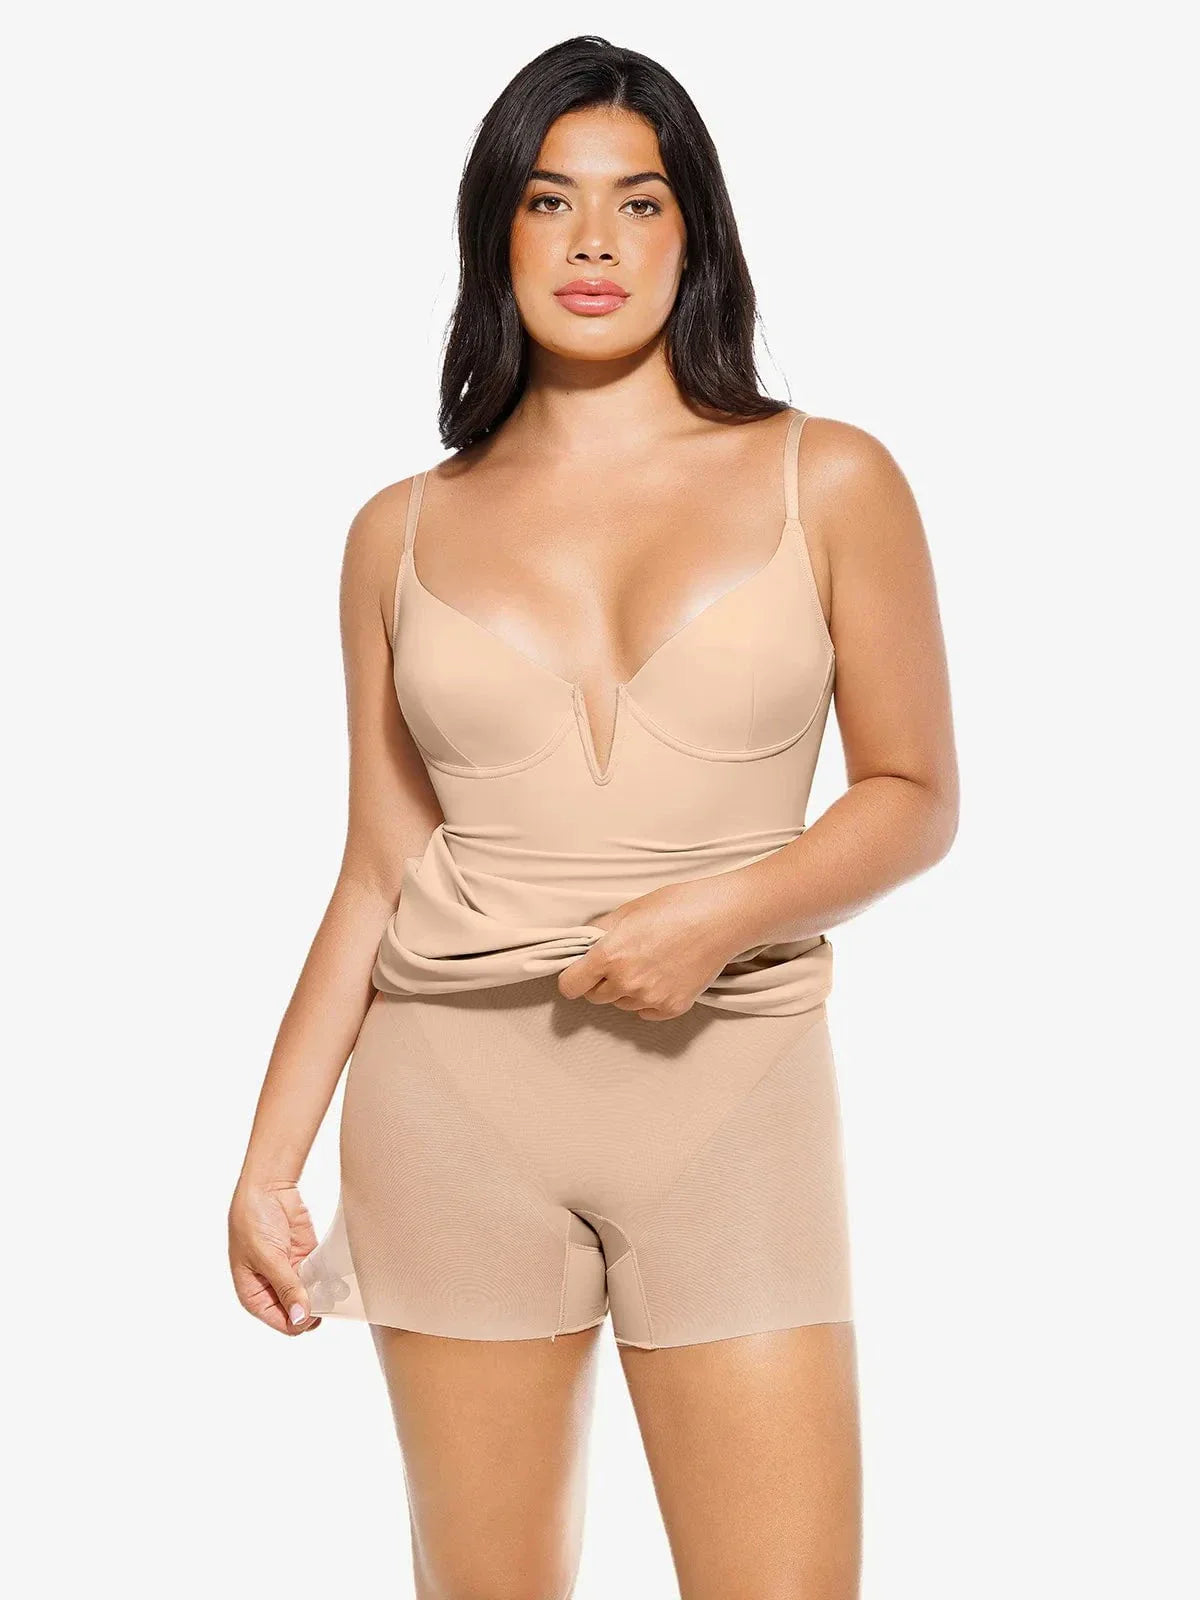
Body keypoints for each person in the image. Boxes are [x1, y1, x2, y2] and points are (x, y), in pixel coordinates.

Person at [228, 33, 958, 1600]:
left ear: (696, 234)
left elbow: (913, 796)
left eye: (639, 202)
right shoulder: (395, 532)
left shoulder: (830, 480)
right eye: (550, 201)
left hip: (734, 1090)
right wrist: (268, 1156)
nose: (594, 243)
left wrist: (724, 913)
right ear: (497, 232)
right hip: (449, 1106)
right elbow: (377, 869)